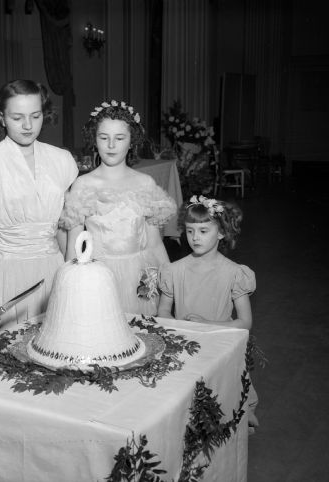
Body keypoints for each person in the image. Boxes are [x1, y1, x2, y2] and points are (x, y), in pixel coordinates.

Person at [0, 79, 78, 325]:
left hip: (52, 270)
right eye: (17, 118)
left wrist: (73, 275)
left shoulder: (62, 160)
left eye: (35, 116)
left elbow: (64, 228)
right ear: (1, 118)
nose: (28, 126)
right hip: (3, 273)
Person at [61, 100, 176, 315]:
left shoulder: (145, 183)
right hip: (99, 277)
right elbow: (73, 249)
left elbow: (154, 244)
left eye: (120, 138)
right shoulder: (83, 185)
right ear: (94, 141)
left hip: (141, 276)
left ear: (132, 141)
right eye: (104, 138)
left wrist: (171, 283)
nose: (111, 145)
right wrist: (70, 289)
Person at [156, 195, 259, 430]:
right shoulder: (174, 270)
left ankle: (237, 419)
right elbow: (163, 310)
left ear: (221, 233)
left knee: (222, 398)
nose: (195, 238)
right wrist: (181, 326)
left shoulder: (234, 273)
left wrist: (208, 324)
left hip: (218, 345)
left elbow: (245, 321)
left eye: (203, 231)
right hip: (184, 343)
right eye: (190, 231)